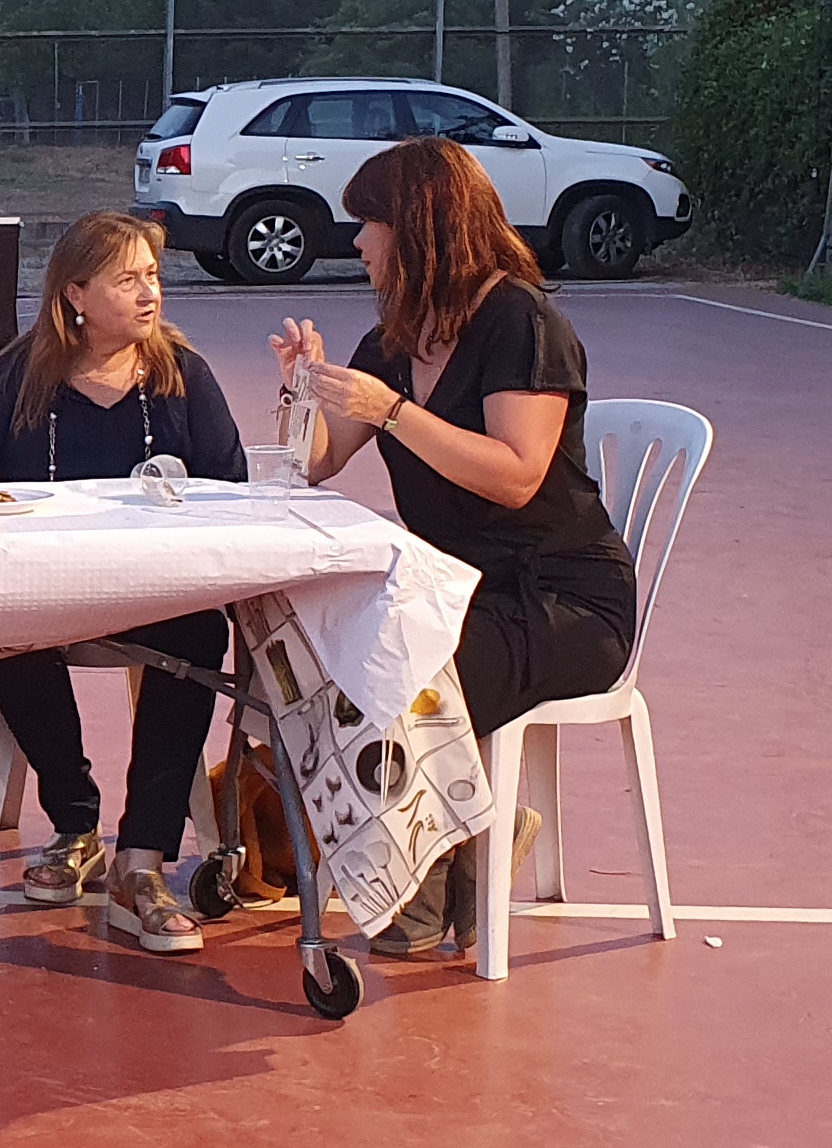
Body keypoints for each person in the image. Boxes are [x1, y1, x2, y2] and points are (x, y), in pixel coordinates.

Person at [273, 135, 637, 959]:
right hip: (460, 591)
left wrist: (396, 412)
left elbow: (515, 475)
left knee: (398, 666)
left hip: (562, 598)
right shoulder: (394, 340)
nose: (357, 241)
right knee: (327, 653)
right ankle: (464, 843)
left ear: (419, 228)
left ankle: (438, 864)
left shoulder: (522, 323)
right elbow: (320, 463)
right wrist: (305, 391)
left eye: (369, 224)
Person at [0, 208, 249, 955]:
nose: (150, 293)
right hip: (47, 590)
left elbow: (233, 487)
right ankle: (76, 820)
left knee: (201, 633)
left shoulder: (186, 376)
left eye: (152, 276)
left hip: (156, 593)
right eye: (128, 280)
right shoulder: (20, 377)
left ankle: (141, 858)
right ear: (76, 294)